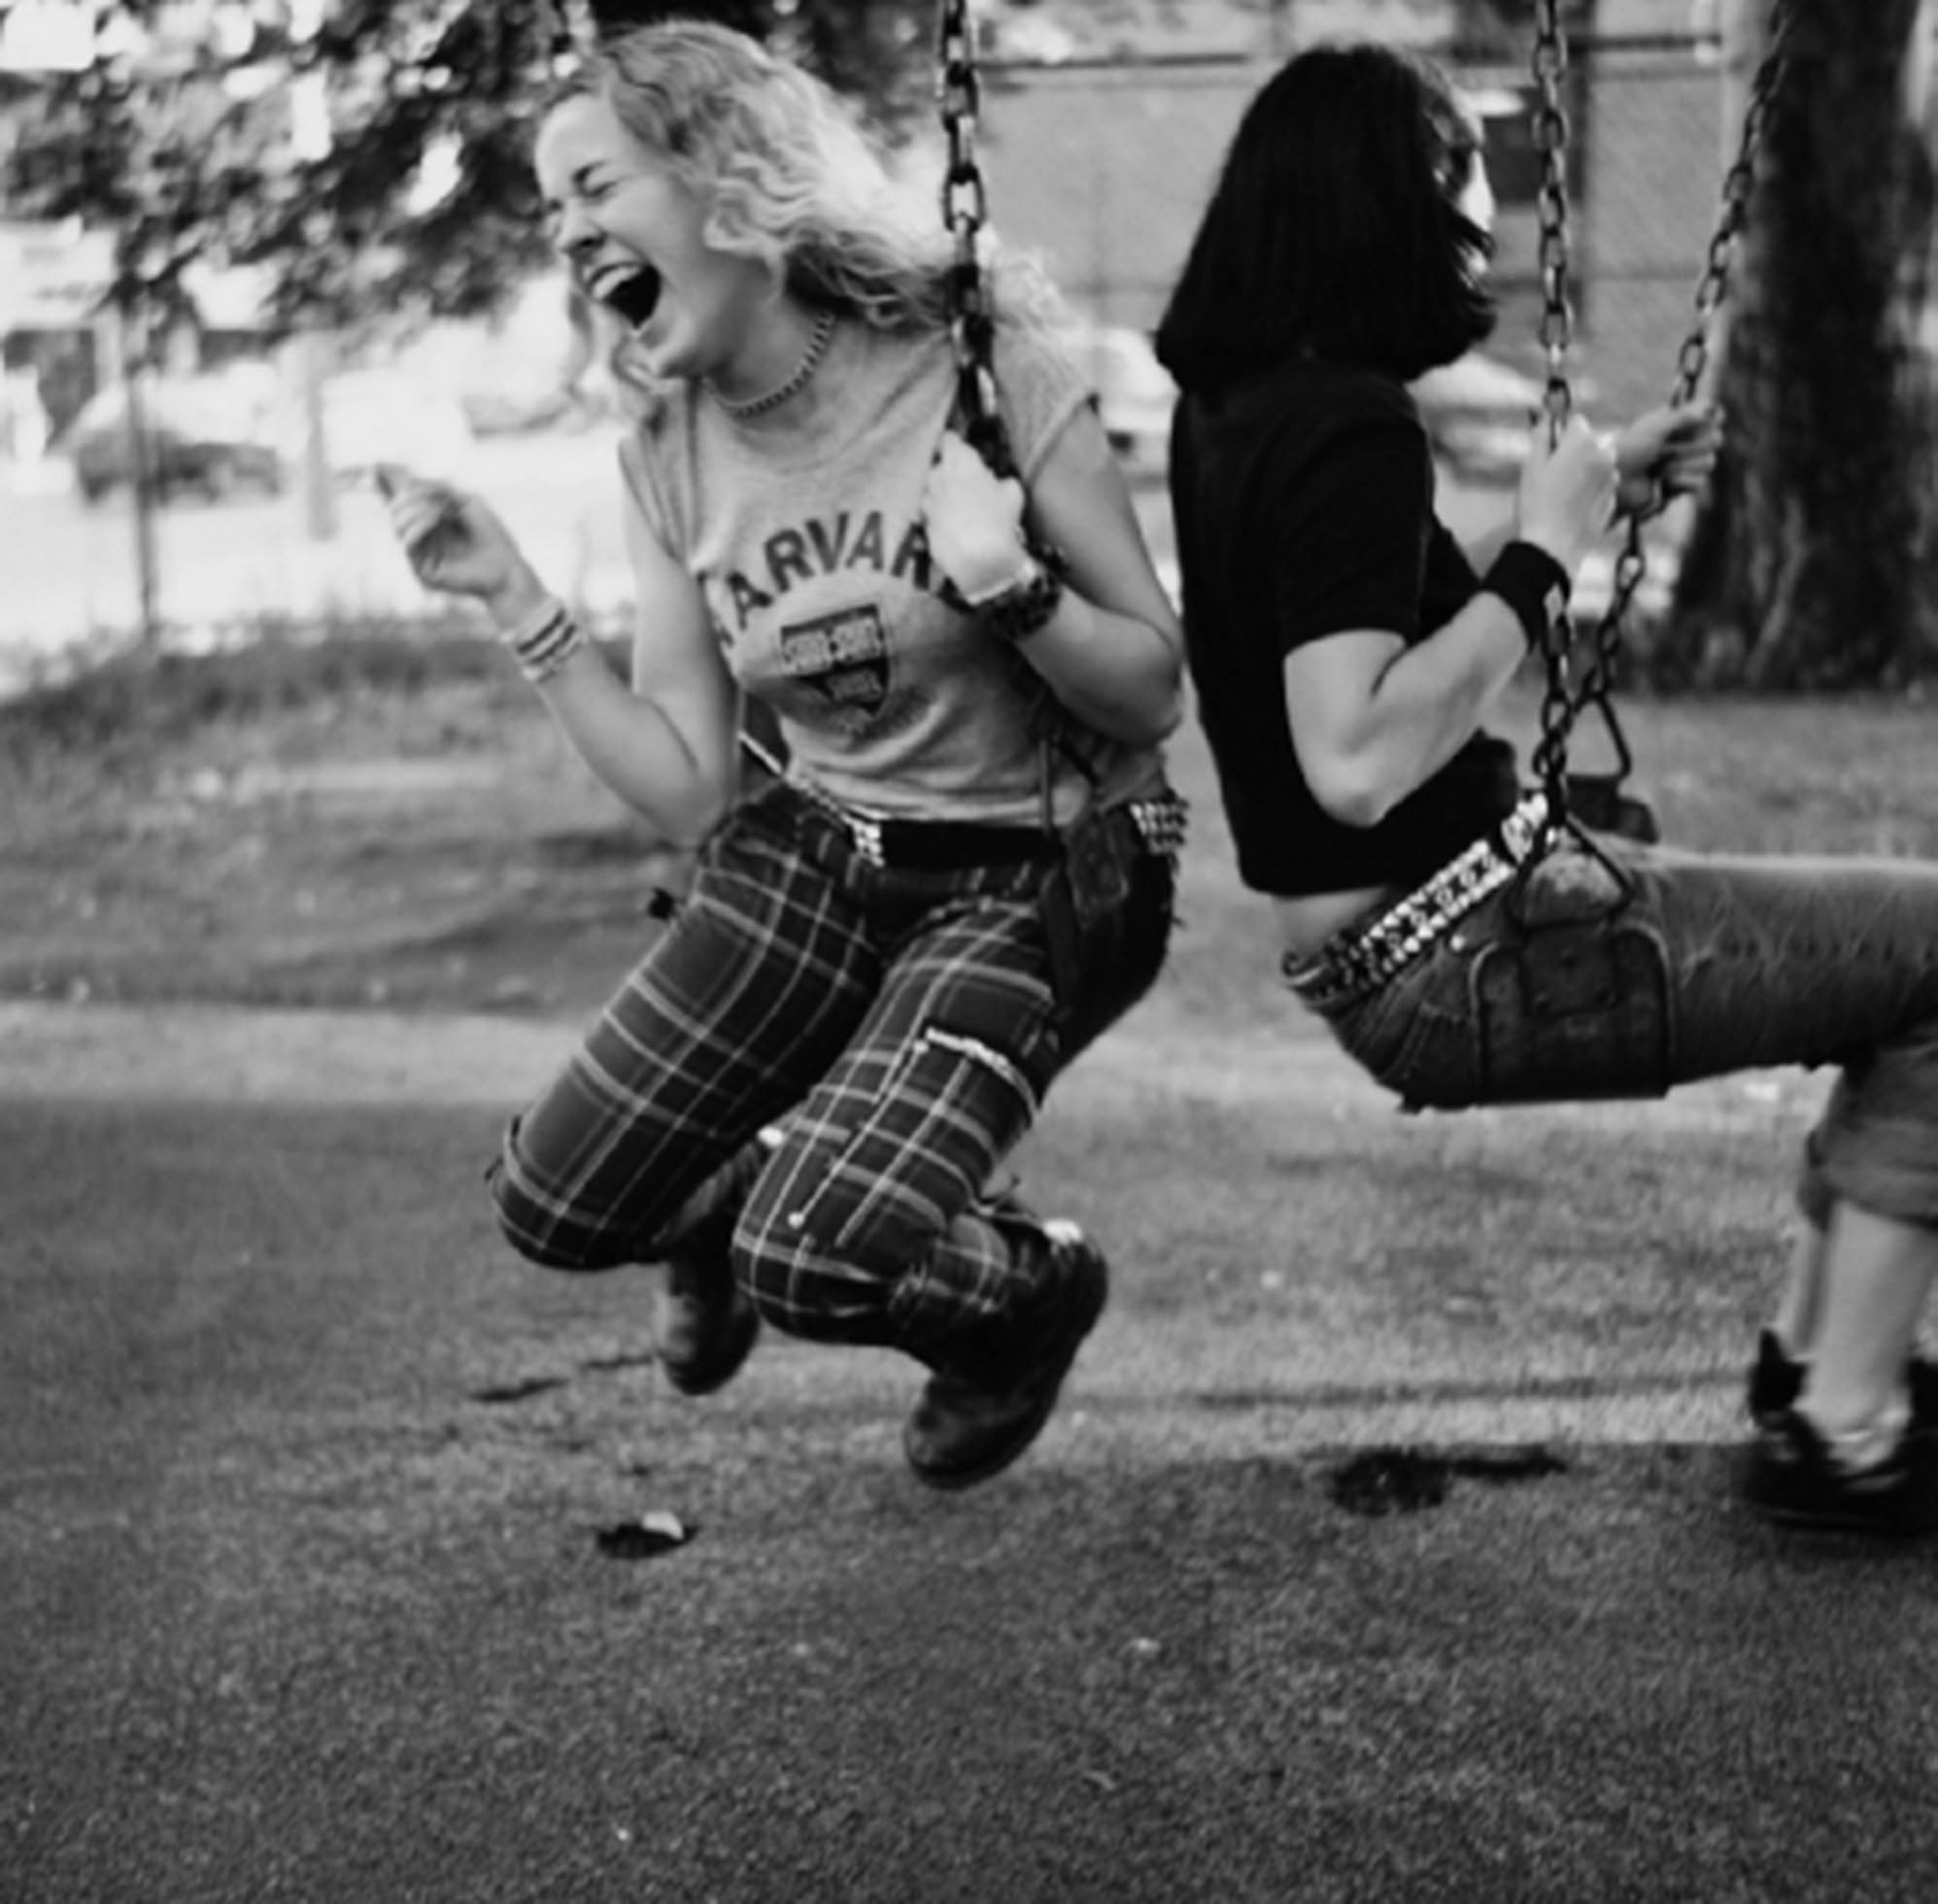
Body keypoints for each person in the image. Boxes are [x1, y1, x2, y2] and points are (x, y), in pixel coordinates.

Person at [381, 20, 1184, 1490]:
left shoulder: (976, 362)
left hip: (1044, 866)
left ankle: (1023, 1300)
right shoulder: (667, 447)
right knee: (554, 1199)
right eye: (549, 206)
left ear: (725, 180)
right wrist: (516, 603)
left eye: (593, 186)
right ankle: (719, 1211)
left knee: (817, 1256)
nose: (565, 233)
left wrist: (1014, 586)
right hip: (823, 850)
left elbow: (1149, 691)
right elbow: (692, 784)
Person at [1157, 40, 1938, 1537]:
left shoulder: (1244, 407)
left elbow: (1353, 610)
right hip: (1468, 955)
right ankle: (1844, 1423)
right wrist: (1542, 555)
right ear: (1379, 210)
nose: (1477, 232)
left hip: (1413, 945)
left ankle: (1812, 1367)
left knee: (1884, 963)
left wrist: (1590, 490)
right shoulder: (1350, 427)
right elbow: (1359, 754)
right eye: (1457, 198)